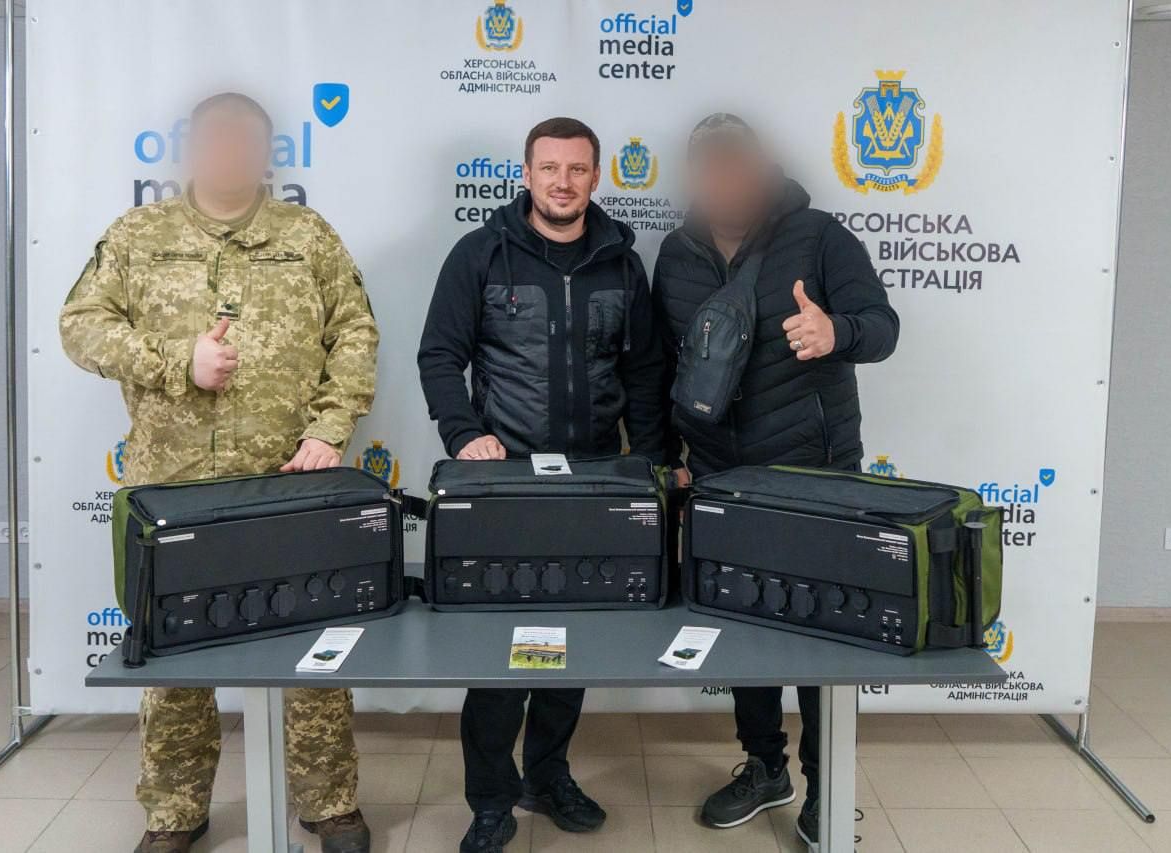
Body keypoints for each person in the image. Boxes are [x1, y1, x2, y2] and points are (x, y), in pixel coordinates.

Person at [59, 93, 379, 853]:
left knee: (312, 640)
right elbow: (81, 326)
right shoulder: (139, 235)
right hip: (174, 486)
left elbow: (356, 332)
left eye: (245, 142)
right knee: (173, 651)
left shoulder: (307, 235)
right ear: (192, 149)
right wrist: (178, 362)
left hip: (288, 482)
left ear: (266, 154)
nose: (230, 154)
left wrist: (328, 429)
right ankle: (174, 811)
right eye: (216, 141)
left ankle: (329, 801)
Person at [652, 114, 900, 850]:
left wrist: (835, 333)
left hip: (814, 477)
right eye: (713, 170)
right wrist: (671, 462)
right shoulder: (676, 254)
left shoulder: (820, 237)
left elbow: (882, 326)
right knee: (744, 628)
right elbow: (663, 366)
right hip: (720, 479)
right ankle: (766, 768)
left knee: (823, 638)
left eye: (740, 168)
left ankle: (827, 790)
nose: (728, 183)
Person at [418, 116, 663, 853]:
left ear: (596, 176)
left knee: (571, 639)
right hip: (507, 485)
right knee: (502, 650)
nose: (563, 182)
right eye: (549, 168)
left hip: (594, 481)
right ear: (525, 174)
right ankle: (492, 800)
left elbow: (645, 372)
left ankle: (548, 775)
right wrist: (463, 435)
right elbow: (439, 354)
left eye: (577, 169)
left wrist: (651, 462)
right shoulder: (480, 254)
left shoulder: (622, 262)